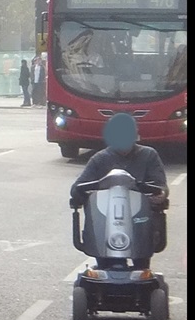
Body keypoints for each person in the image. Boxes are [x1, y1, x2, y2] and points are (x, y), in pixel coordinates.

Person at [69, 113, 169, 269]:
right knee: (104, 259)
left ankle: (142, 276)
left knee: (142, 261)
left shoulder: (148, 155)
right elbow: (78, 187)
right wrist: (84, 192)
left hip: (139, 218)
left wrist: (160, 195)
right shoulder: (100, 158)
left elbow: (160, 185)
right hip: (107, 219)